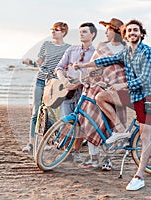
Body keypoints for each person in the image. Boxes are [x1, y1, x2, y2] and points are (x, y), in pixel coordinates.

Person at [73, 19, 151, 191]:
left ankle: (139, 176)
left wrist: (122, 85)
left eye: (136, 30)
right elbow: (105, 61)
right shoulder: (126, 53)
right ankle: (120, 130)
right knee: (101, 97)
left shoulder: (147, 52)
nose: (132, 33)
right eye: (129, 31)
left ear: (141, 34)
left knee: (144, 136)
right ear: (126, 35)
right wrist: (83, 65)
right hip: (132, 95)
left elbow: (146, 78)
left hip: (148, 97)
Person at [77, 18, 127, 170]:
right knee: (91, 122)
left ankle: (108, 160)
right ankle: (94, 159)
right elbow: (95, 67)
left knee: (110, 126)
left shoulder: (126, 48)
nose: (105, 32)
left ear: (116, 31)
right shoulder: (102, 46)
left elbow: (125, 72)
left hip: (116, 91)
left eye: (108, 29)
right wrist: (90, 76)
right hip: (97, 87)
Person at [22, 22, 71, 153]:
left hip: (55, 83)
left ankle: (49, 141)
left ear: (64, 32)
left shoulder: (68, 48)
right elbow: (39, 62)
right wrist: (30, 62)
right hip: (40, 80)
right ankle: (31, 144)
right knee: (35, 112)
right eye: (52, 29)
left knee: (52, 113)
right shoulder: (46, 45)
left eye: (57, 30)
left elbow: (67, 66)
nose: (53, 32)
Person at [55, 22, 97, 163]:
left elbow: (97, 73)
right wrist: (64, 81)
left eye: (84, 32)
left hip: (85, 91)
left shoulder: (96, 53)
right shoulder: (71, 50)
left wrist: (78, 84)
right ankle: (66, 150)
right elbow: (59, 67)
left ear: (92, 34)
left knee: (81, 123)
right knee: (66, 121)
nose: (81, 34)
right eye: (80, 31)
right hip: (67, 91)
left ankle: (76, 151)